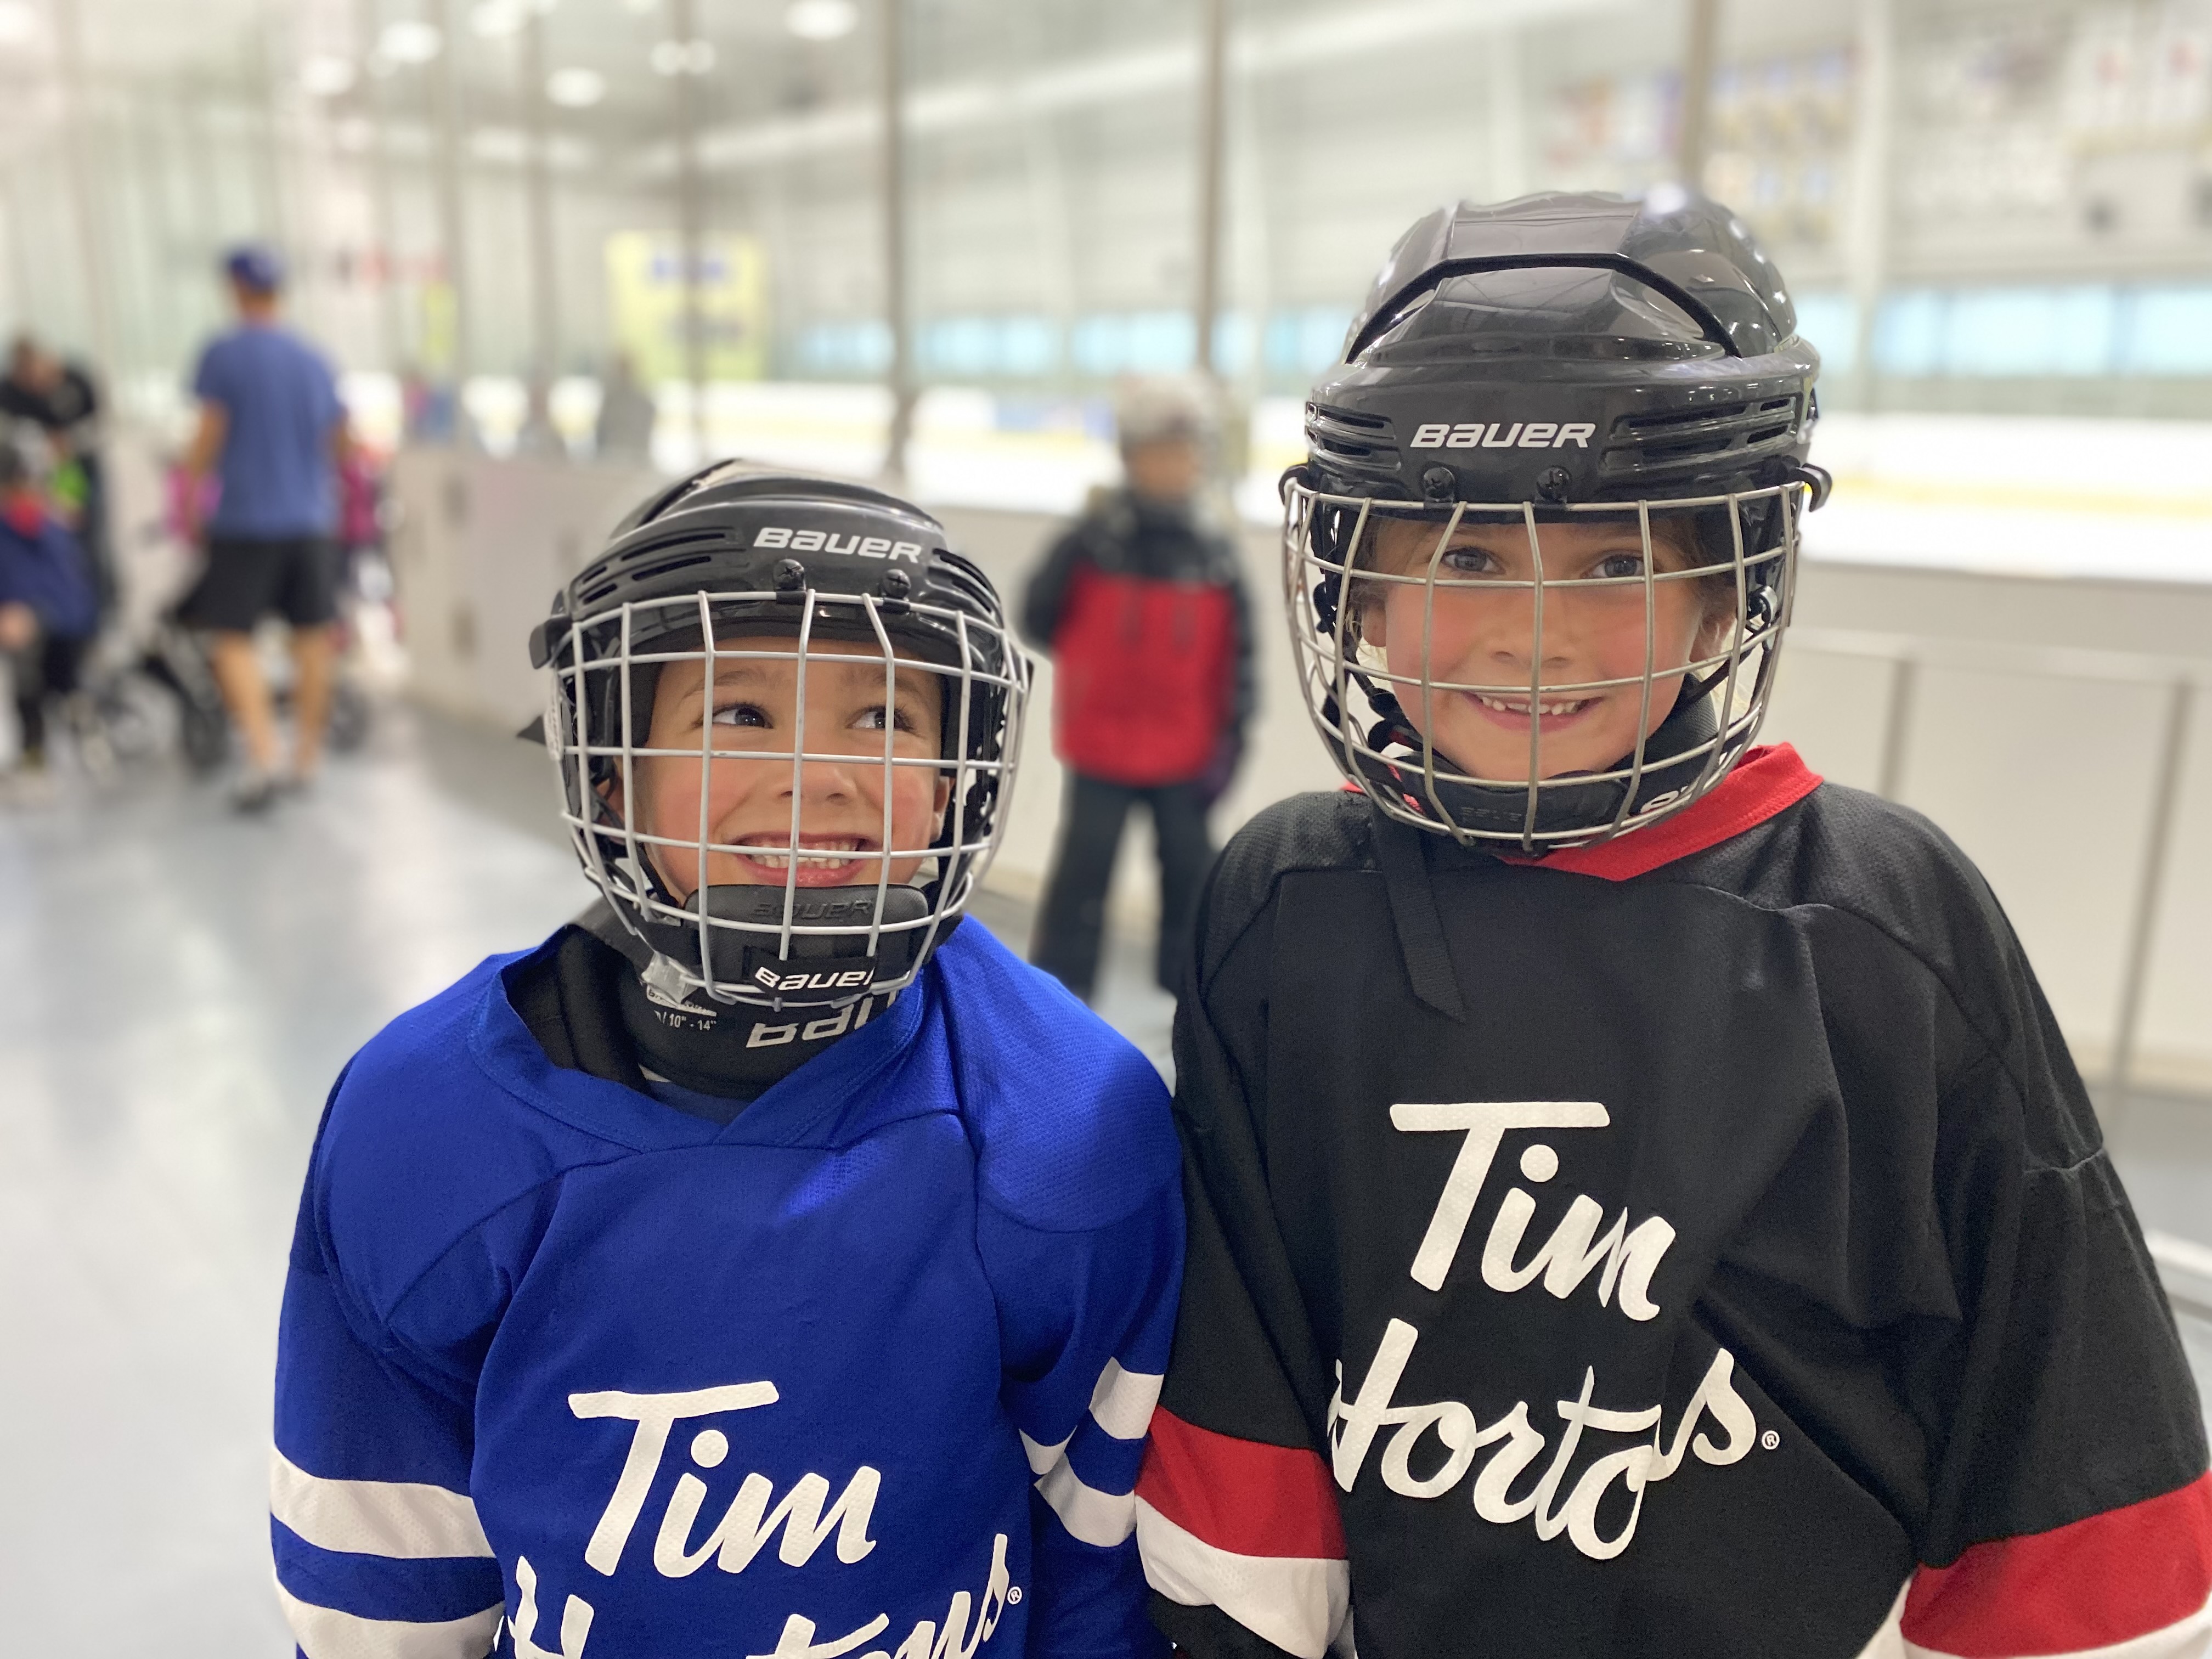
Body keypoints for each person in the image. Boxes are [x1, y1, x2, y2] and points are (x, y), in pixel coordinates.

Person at [1133, 192, 2211, 1659]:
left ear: (1730, 598)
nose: (1538, 634)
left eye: (1621, 563)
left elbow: (2058, 1395)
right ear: (1358, 589)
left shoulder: (1886, 924)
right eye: (1462, 561)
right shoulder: (1284, 908)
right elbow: (1246, 1370)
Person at [269, 467, 1184, 1659]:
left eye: (885, 717)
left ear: (960, 771)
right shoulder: (421, 1131)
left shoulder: (1067, 1124)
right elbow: (384, 1580)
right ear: (610, 764)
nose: (820, 779)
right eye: (740, 714)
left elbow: (1098, 1559)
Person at [1022, 379, 1254, 1002]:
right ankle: (1056, 1001)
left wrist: (1232, 738)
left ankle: (1196, 1002)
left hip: (1186, 753)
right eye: (1161, 451)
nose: (1177, 465)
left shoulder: (1214, 553)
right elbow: (1037, 613)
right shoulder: (1093, 539)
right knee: (1083, 878)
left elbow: (1241, 658)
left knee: (1191, 878)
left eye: (1187, 451)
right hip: (1100, 748)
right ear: (1130, 456)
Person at [177, 244, 352, 811]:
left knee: (231, 639)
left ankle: (263, 755)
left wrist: (188, 500)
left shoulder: (223, 355)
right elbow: (341, 442)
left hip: (246, 521)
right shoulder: (312, 358)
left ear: (235, 288)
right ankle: (306, 757)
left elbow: (208, 437)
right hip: (310, 520)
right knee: (312, 637)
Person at [0, 428, 99, 781]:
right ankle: (37, 752)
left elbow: (50, 582)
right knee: (33, 687)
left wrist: (23, 609)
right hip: (40, 617)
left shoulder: (38, 520)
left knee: (45, 684)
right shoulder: (24, 519)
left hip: (57, 620)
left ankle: (46, 751)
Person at [1, 333, 112, 615]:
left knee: (90, 545)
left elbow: (102, 426)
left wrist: (68, 444)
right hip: (37, 482)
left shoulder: (77, 380)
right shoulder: (11, 392)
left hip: (78, 471)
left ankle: (97, 612)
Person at [594, 351, 658, 464]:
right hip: (611, 459)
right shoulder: (611, 400)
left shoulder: (642, 401)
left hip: (635, 460)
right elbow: (601, 432)